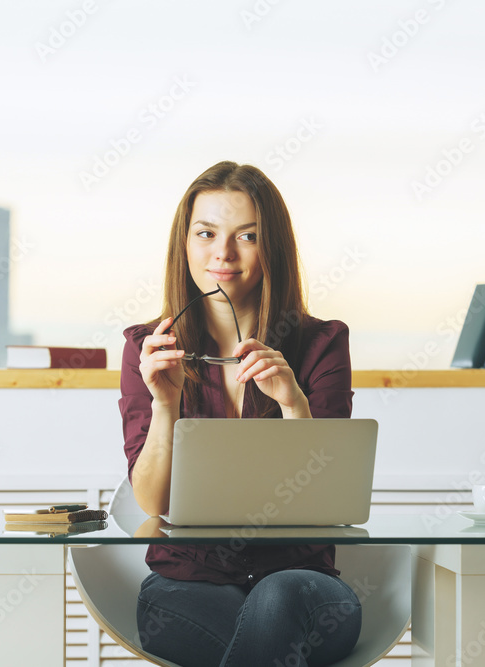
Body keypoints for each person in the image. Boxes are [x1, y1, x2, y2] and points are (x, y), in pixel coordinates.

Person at [119, 161, 361, 667]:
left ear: (271, 246)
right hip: (186, 586)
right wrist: (165, 405)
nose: (223, 253)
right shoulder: (150, 348)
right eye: (206, 233)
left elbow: (328, 503)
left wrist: (294, 403)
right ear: (184, 243)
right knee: (269, 636)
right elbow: (152, 501)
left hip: (304, 586)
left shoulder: (321, 344)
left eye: (246, 236)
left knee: (275, 604)